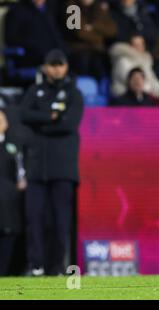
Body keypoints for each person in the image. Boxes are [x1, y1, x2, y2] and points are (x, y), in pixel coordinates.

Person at [20, 49, 84, 276]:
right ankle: (35, 265)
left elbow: (69, 124)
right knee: (34, 218)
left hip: (63, 168)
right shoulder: (34, 91)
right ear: (45, 67)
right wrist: (51, 117)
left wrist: (40, 122)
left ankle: (57, 267)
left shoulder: (73, 94)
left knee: (60, 219)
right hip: (36, 167)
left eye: (60, 64)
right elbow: (22, 115)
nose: (56, 69)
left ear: (65, 67)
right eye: (52, 64)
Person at [0, 108, 26, 276]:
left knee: (8, 236)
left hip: (7, 203)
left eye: (1, 118)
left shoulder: (12, 147)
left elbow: (21, 177)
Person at [109, 33, 159, 101]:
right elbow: (135, 84)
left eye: (141, 44)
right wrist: (154, 92)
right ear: (129, 46)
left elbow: (152, 79)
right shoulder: (123, 61)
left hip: (143, 96)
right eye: (136, 45)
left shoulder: (145, 61)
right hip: (125, 99)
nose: (139, 47)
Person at [64, 0, 117, 79]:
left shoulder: (98, 7)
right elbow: (80, 33)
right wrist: (100, 37)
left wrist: (93, 26)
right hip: (78, 51)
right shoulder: (71, 7)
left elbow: (112, 30)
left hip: (98, 51)